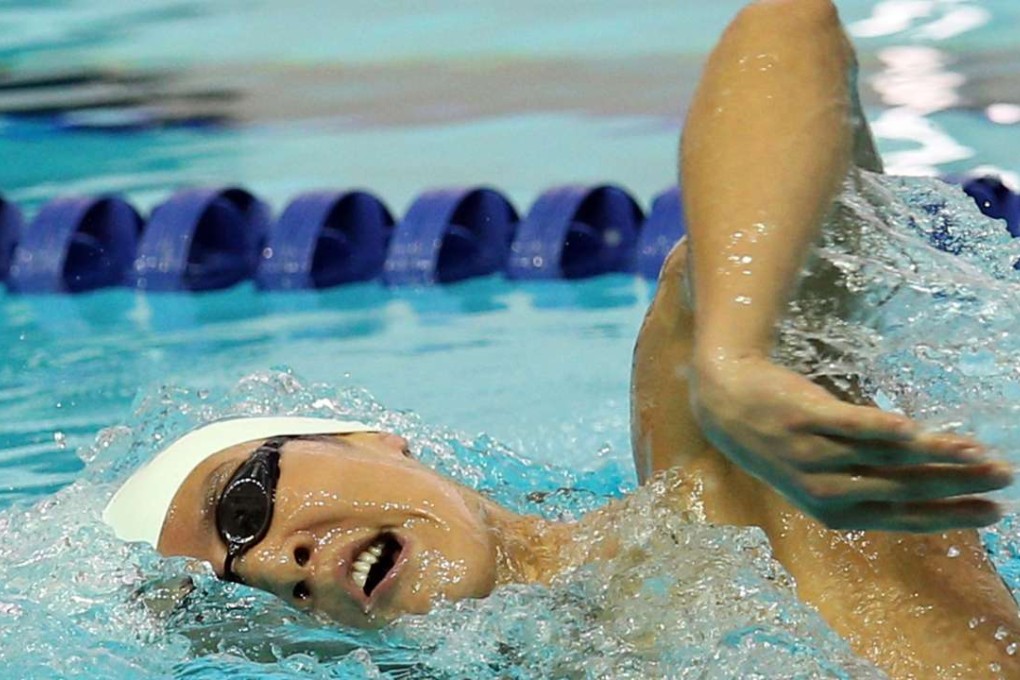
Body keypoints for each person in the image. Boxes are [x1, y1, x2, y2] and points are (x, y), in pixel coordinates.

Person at [103, 0, 1020, 676]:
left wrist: (735, 360)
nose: (271, 567)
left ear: (365, 439)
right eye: (230, 590)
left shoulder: (730, 493)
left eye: (244, 508)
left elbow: (786, 35)